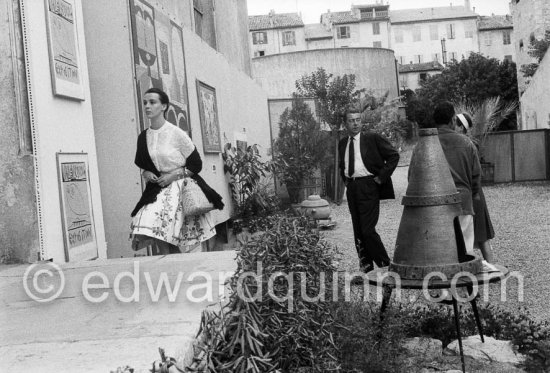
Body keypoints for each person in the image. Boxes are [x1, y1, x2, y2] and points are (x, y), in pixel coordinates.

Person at [130, 88, 224, 255]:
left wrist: (173, 175)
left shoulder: (176, 134)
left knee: (172, 231)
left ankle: (175, 265)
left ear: (164, 106)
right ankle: (170, 264)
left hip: (179, 187)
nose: (147, 106)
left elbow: (196, 164)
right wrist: (146, 173)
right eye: (145, 103)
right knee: (153, 223)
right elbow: (143, 164)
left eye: (152, 102)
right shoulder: (143, 137)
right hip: (157, 189)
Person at [338, 108, 400, 273]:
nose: (356, 123)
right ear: (345, 123)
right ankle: (366, 268)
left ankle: (386, 266)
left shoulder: (372, 138)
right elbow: (342, 165)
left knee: (367, 230)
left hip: (368, 186)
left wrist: (381, 177)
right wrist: (347, 182)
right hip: (352, 188)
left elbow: (394, 155)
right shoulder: (343, 142)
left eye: (358, 119)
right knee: (358, 230)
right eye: (351, 120)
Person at [433, 102, 481, 255]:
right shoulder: (467, 143)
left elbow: (412, 177)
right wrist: (473, 193)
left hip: (435, 203)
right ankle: (466, 277)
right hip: (463, 200)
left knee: (441, 250)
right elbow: (476, 175)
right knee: (466, 249)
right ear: (453, 120)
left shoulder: (426, 144)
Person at [454, 112, 495, 263]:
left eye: (454, 123)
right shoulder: (467, 143)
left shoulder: (465, 144)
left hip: (472, 194)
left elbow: (476, 173)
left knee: (480, 235)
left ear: (459, 126)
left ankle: (491, 268)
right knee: (481, 235)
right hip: (474, 193)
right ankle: (491, 267)